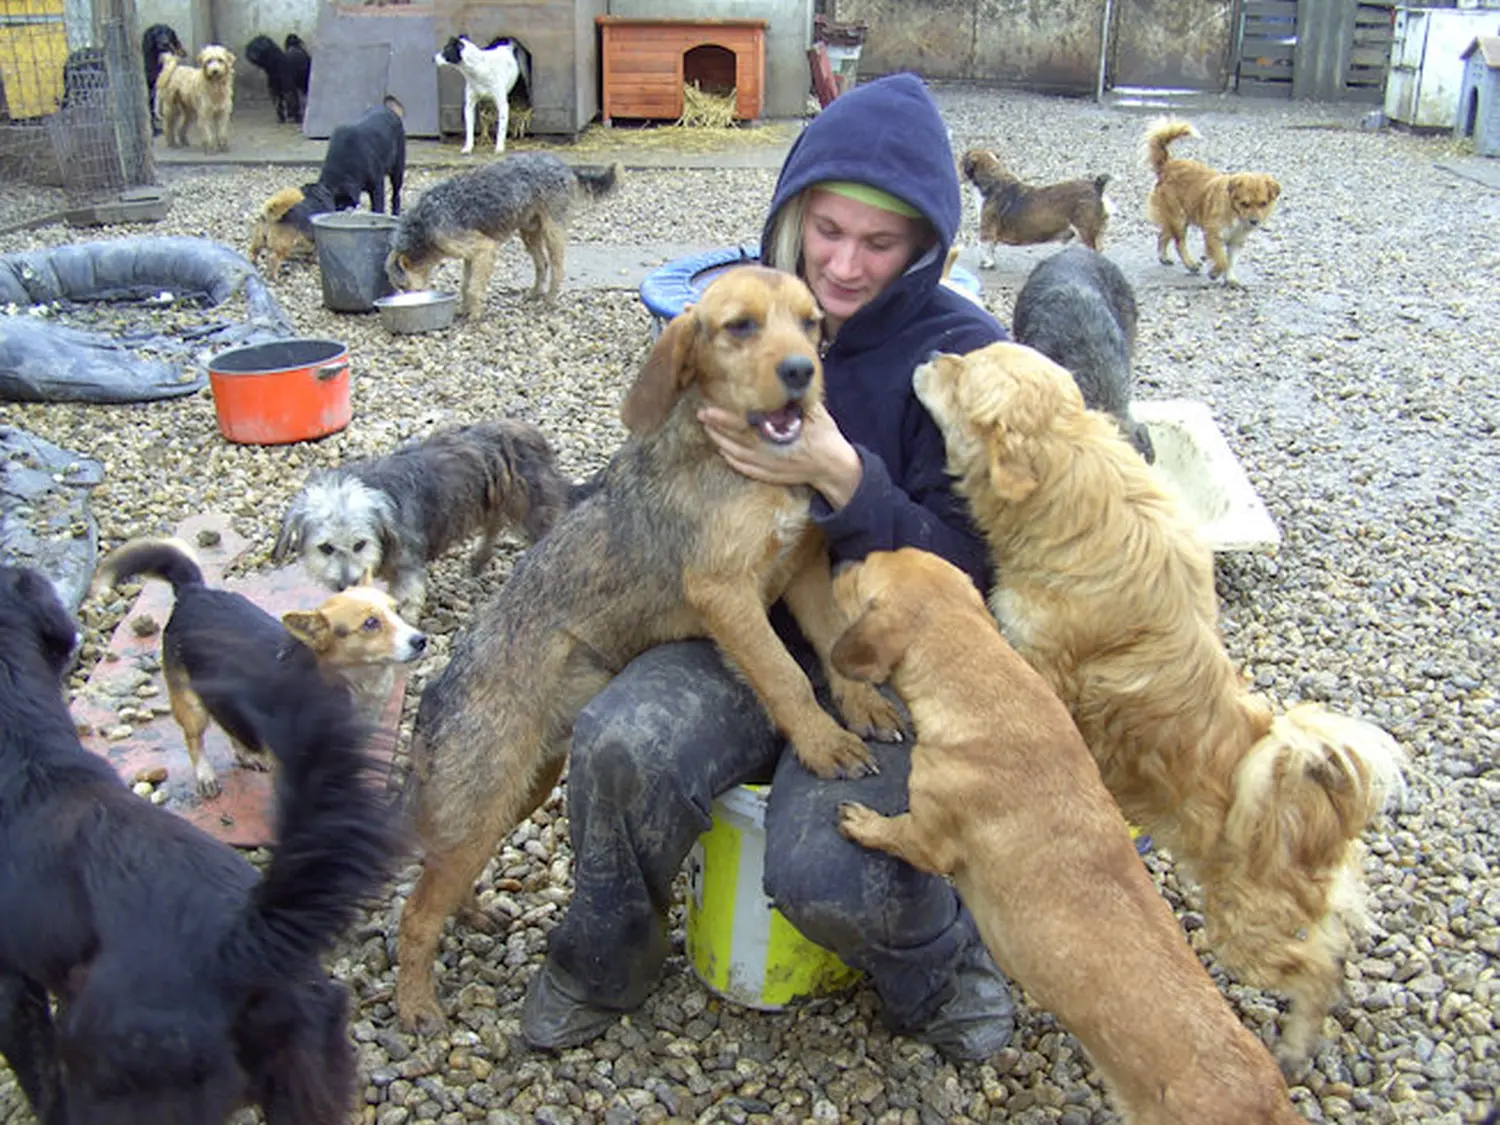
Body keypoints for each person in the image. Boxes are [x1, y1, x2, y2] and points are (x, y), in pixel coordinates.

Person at [521, 72, 1017, 1061]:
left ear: (928, 246)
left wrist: (845, 477)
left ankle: (942, 963)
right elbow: (655, 457)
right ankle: (602, 959)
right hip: (734, 622)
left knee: (835, 874)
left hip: (890, 649)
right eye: (827, 230)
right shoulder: (748, 306)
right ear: (795, 213)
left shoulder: (969, 357)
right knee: (618, 744)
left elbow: (979, 569)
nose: (843, 265)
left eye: (880, 243)